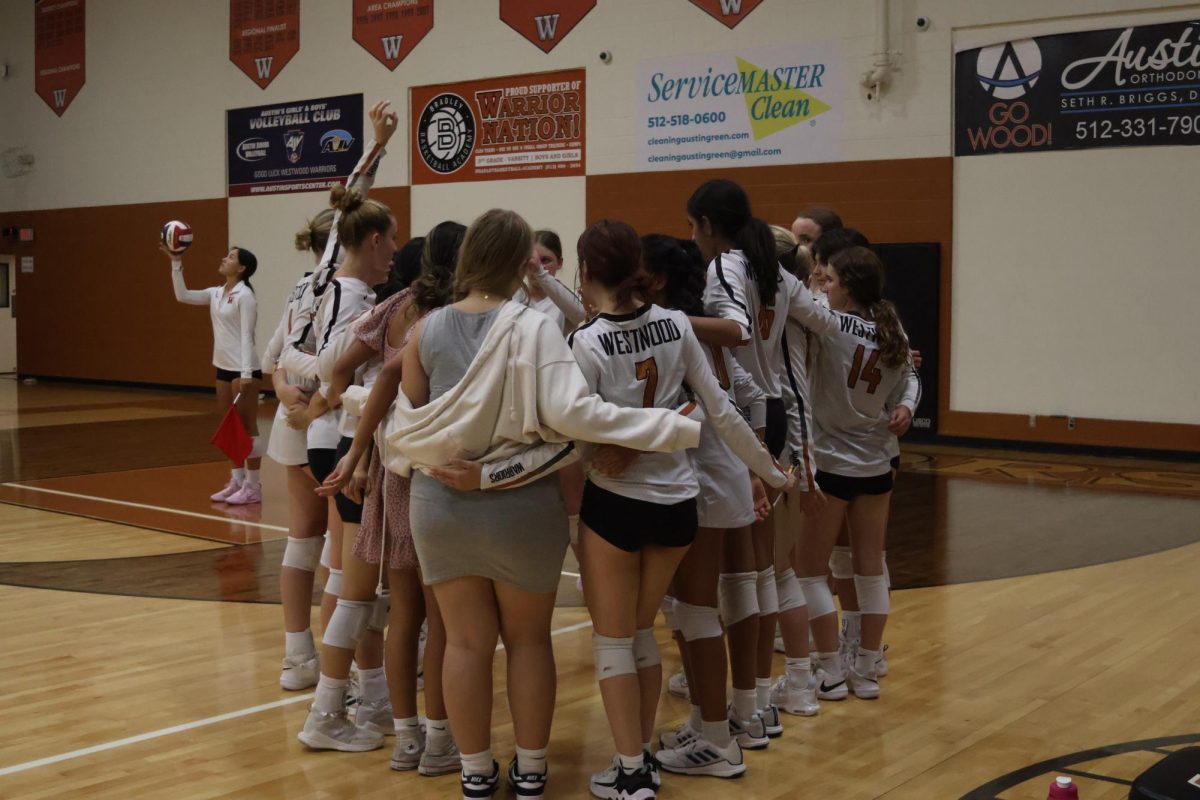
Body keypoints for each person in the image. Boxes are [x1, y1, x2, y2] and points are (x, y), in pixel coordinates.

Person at [391, 208, 704, 800]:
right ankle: (531, 771)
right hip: (521, 504)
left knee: (463, 642)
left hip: (440, 501)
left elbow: (411, 422)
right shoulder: (535, 327)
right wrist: (668, 427)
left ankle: (475, 773)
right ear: (523, 264)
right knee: (529, 641)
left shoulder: (425, 330)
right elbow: (568, 426)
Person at [316, 221, 469, 776]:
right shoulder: (462, 315)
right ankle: (437, 738)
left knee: (400, 611)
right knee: (439, 618)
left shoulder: (397, 305)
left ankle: (404, 736)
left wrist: (360, 442)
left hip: (389, 468)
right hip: (441, 471)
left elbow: (339, 369)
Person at [686, 179, 832, 739]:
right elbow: (826, 320)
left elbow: (736, 331)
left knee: (744, 571)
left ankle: (752, 700)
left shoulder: (725, 266)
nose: (691, 237)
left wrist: (668, 322)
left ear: (707, 224)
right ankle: (765, 696)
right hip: (771, 411)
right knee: (764, 567)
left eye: (692, 225)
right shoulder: (773, 271)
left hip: (743, 412)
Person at [636, 234, 770, 780]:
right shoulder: (694, 328)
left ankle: (717, 740)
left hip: (704, 480)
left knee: (694, 610)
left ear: (656, 278)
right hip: (720, 474)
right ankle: (714, 721)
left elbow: (701, 403)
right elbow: (748, 392)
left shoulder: (673, 329)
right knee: (700, 606)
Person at [290, 184, 399, 752]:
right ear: (374, 241)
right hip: (346, 443)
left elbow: (288, 354)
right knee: (350, 581)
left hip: (340, 439)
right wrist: (318, 400)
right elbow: (332, 367)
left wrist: (306, 393)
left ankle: (369, 692)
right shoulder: (359, 301)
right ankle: (333, 702)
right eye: (392, 240)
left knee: (350, 576)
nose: (395, 251)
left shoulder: (328, 286)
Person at [797, 246, 918, 702]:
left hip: (831, 463)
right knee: (870, 569)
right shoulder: (890, 327)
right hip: (876, 463)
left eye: (828, 279)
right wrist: (907, 406)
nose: (823, 286)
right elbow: (910, 377)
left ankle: (829, 669)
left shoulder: (829, 323)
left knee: (810, 572)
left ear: (846, 286)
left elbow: (794, 303)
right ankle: (866, 666)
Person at [261, 208, 334, 691]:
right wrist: (299, 401)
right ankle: (345, 666)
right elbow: (339, 371)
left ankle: (298, 656)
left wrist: (283, 390)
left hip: (297, 420)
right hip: (324, 424)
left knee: (303, 539)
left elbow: (272, 359)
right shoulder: (345, 294)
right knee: (340, 549)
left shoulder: (299, 288)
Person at [165, 243, 262, 504]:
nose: (224, 258)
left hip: (244, 369)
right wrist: (176, 262)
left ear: (241, 268)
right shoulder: (216, 293)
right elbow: (182, 295)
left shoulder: (245, 296)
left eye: (230, 257)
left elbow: (247, 335)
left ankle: (253, 486)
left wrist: (246, 373)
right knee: (230, 425)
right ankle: (237, 480)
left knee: (248, 426)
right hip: (223, 366)